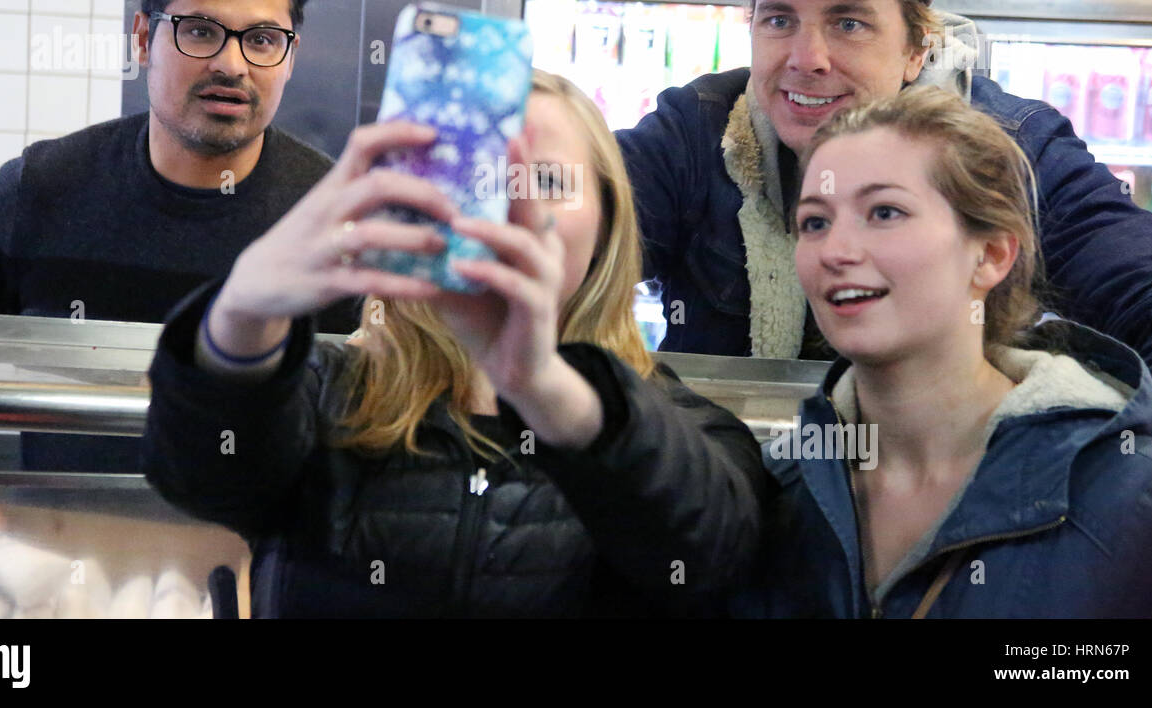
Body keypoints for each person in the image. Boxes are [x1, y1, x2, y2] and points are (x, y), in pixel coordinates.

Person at [143, 71, 765, 616]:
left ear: (607, 219)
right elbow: (200, 475)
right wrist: (241, 316)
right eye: (481, 178)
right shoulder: (332, 393)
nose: (510, 209)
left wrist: (545, 387)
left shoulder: (687, 431)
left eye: (547, 179)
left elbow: (710, 556)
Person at [0, 0, 357, 570]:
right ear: (143, 38)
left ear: (289, 56)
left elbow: (376, 416)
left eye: (262, 39)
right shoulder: (35, 193)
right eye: (199, 31)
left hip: (255, 573)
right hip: (45, 559)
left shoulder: (335, 224)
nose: (232, 63)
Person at [617, 0, 1152, 421]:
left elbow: (1151, 293)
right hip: (735, 477)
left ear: (917, 49)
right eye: (779, 20)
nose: (806, 59)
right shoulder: (700, 128)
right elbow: (585, 231)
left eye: (848, 23)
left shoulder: (1010, 145)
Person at [736, 87, 1152, 617]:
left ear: (991, 254)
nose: (836, 251)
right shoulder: (772, 488)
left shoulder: (1134, 493)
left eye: (884, 212)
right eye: (815, 222)